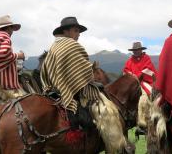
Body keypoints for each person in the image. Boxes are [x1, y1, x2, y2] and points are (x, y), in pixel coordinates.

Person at [40, 16, 130, 153]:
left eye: (79, 31)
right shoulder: (72, 45)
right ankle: (114, 145)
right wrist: (91, 70)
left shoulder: (54, 46)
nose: (78, 34)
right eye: (76, 30)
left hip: (54, 90)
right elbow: (83, 71)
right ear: (66, 31)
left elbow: (49, 69)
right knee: (106, 109)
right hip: (73, 92)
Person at [0, 15, 25, 107]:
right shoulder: (3, 35)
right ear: (8, 28)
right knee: (23, 103)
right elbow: (4, 53)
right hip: (1, 83)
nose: (12, 31)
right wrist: (19, 55)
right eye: (12, 28)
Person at [123, 42, 157, 129]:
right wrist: (131, 75)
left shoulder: (146, 58)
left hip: (145, 81)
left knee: (147, 95)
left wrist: (137, 76)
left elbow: (148, 70)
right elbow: (126, 70)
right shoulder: (130, 61)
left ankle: (145, 119)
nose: (136, 52)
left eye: (137, 50)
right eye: (134, 50)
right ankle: (126, 117)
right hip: (133, 82)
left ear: (141, 50)